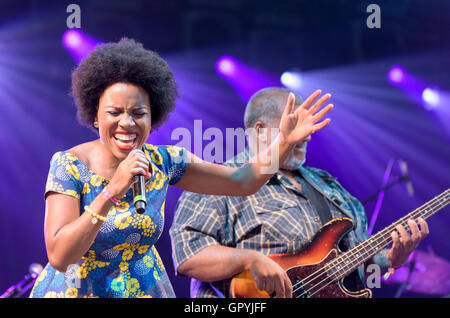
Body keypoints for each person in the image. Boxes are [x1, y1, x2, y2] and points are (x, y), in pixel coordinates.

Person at [29, 40, 333, 298]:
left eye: (139, 113)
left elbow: (243, 182)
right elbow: (59, 255)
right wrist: (112, 191)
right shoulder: (69, 164)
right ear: (96, 116)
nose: (127, 123)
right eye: (114, 112)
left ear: (153, 117)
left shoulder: (166, 162)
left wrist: (283, 143)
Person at [170, 87, 429, 298]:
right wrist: (248, 259)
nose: (307, 134)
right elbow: (188, 256)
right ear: (260, 130)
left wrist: (393, 260)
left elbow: (358, 264)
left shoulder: (330, 187)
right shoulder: (221, 180)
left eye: (308, 124)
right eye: (294, 122)